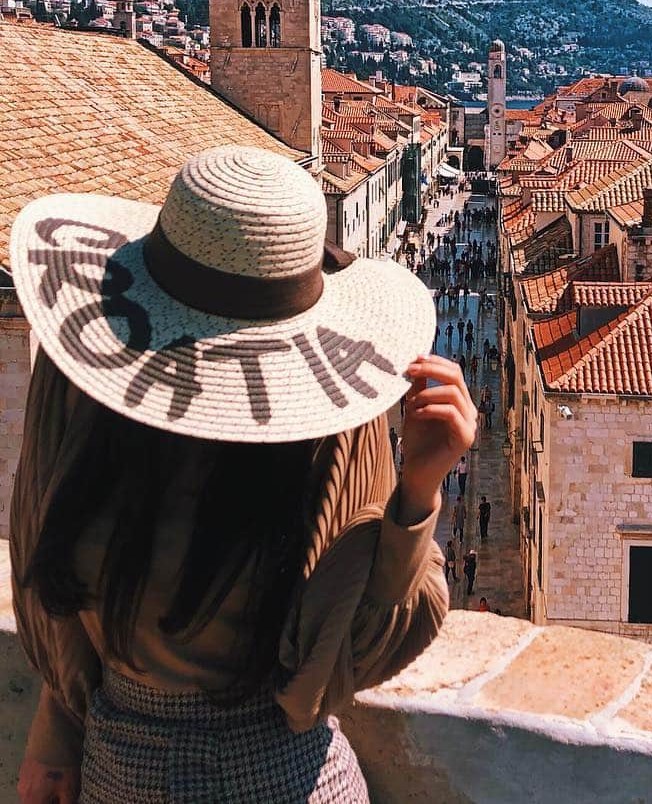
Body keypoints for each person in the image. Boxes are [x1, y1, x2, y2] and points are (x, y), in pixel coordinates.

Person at [9, 145, 477, 804]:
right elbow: (359, 650)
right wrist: (418, 491)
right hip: (286, 775)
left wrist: (58, 723)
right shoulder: (335, 424)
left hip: (121, 768)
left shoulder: (82, 398)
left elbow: (46, 574)